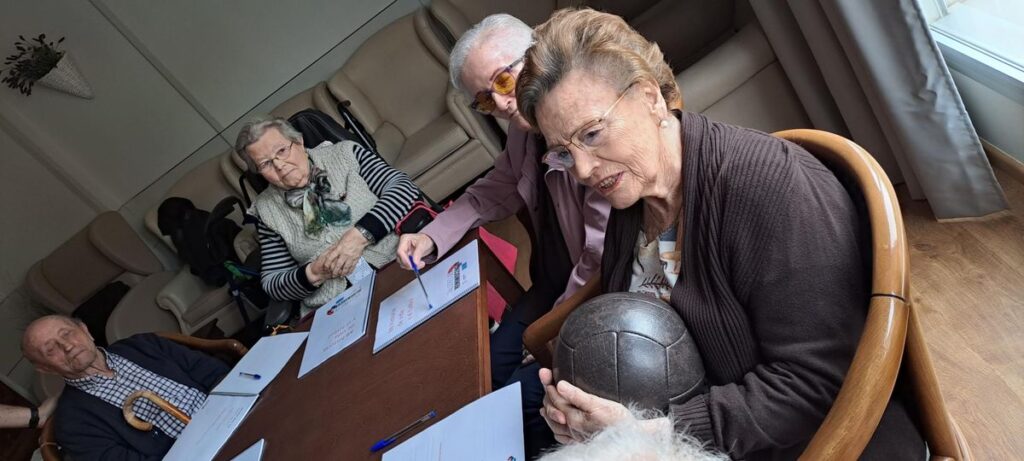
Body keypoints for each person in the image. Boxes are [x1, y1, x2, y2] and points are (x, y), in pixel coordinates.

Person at [517, 8, 925, 460]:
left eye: (592, 133)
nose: (584, 170)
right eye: (564, 154)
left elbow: (820, 383)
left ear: (651, 97)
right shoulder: (632, 199)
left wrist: (653, 434)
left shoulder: (772, 188)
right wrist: (583, 403)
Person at [394, 14, 611, 458]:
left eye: (504, 81)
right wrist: (431, 236)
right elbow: (496, 188)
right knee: (480, 373)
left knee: (518, 403)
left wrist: (552, 333)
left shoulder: (583, 126)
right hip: (555, 281)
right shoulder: (523, 133)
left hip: (599, 296)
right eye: (485, 100)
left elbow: (599, 256)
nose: (501, 103)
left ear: (536, 53)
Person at [236, 117, 420, 315]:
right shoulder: (266, 209)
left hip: (395, 265)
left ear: (299, 141)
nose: (279, 165)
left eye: (282, 151)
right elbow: (273, 283)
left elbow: (403, 188)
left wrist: (359, 236)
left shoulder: (345, 154)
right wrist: (314, 273)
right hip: (336, 306)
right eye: (265, 164)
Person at [21, 315, 230, 460]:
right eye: (50, 350)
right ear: (46, 368)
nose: (67, 346)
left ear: (85, 330)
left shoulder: (143, 344)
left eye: (66, 334)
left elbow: (214, 373)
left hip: (233, 415)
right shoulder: (72, 425)